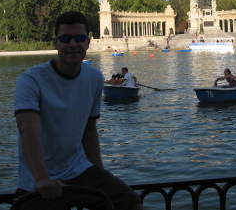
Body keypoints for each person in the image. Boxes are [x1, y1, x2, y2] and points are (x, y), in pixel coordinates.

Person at [14, 11, 142, 210]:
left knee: (130, 202)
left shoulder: (94, 78)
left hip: (79, 169)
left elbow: (89, 131)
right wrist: (42, 178)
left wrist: (100, 174)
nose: (73, 44)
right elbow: (27, 129)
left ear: (88, 42)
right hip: (37, 176)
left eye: (79, 38)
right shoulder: (30, 80)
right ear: (56, 43)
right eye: (65, 38)